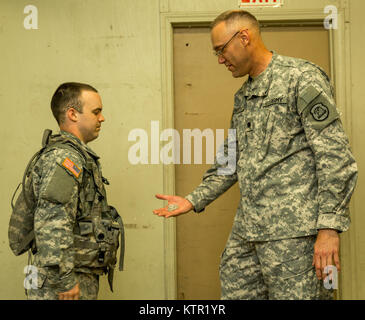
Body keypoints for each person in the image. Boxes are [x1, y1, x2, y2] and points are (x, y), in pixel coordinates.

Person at [153, 10, 358, 299]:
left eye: (221, 50)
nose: (220, 60)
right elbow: (231, 160)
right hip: (249, 233)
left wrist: (329, 228)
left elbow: (335, 156)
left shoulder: (301, 79)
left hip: (294, 237)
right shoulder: (243, 97)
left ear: (244, 37)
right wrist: (193, 199)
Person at [26, 82, 123, 300]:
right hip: (59, 284)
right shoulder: (64, 159)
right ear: (73, 114)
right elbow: (52, 222)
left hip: (70, 277)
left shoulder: (76, 156)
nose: (102, 118)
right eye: (96, 111)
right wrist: (65, 281)